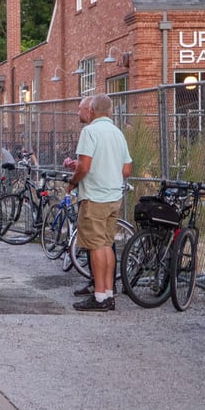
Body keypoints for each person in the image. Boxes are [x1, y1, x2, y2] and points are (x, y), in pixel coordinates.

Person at [66, 94, 132, 312]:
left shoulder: (90, 131)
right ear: (110, 111)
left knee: (95, 246)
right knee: (106, 245)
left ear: (92, 111)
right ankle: (108, 293)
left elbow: (83, 166)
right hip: (114, 196)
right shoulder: (118, 133)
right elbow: (126, 170)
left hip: (95, 197)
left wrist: (72, 182)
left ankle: (99, 296)